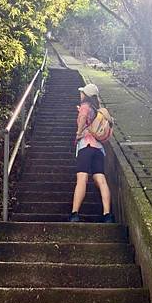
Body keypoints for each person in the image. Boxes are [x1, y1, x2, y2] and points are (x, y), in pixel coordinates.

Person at [68, 83, 115, 223]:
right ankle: (107, 214)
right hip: (99, 149)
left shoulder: (85, 106)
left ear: (86, 95)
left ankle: (75, 213)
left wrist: (78, 132)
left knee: (82, 178)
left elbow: (83, 118)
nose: (80, 94)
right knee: (100, 179)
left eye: (82, 92)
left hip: (86, 146)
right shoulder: (98, 110)